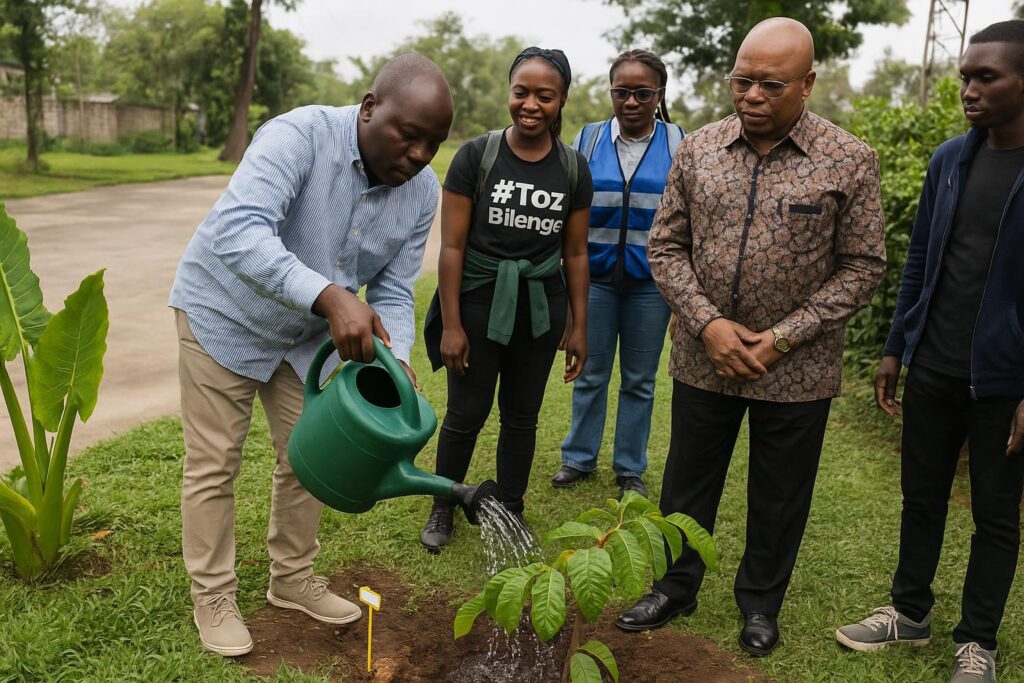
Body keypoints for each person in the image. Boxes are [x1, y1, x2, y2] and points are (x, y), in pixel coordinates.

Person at [614, 18, 886, 657]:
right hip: (703, 359)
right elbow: (666, 245)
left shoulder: (849, 160)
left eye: (771, 84)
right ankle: (674, 586)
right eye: (743, 81)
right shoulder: (699, 148)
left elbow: (864, 266)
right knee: (687, 483)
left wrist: (782, 338)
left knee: (780, 492)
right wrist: (708, 324)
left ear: (807, 84)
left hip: (795, 371)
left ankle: (761, 603)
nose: (753, 96)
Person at [168, 54, 453, 657]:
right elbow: (240, 230)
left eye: (434, 143)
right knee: (216, 462)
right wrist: (329, 296)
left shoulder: (422, 193)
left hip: (306, 338)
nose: (421, 155)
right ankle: (214, 595)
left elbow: (397, 289)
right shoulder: (298, 136)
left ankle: (292, 578)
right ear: (370, 108)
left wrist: (395, 356)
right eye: (410, 135)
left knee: (307, 454)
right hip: (224, 311)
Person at [836, 21, 1024, 683]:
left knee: (996, 514)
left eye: (986, 77)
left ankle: (978, 642)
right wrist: (896, 346)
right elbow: (919, 257)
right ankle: (909, 614)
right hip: (934, 364)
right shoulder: (951, 159)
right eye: (965, 76)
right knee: (922, 497)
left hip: (1005, 380)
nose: (968, 88)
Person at [419, 47, 593, 553]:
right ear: (509, 92)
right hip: (477, 304)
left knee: (522, 415)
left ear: (561, 100)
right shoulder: (477, 156)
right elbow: (451, 246)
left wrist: (579, 324)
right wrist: (451, 324)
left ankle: (510, 509)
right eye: (522, 92)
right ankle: (444, 504)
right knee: (465, 413)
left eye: (545, 95)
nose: (531, 105)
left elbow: (577, 254)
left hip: (540, 307)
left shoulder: (573, 168)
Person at [550, 49, 684, 501]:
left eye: (642, 93)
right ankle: (579, 458)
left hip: (652, 286)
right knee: (589, 371)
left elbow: (690, 220)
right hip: (595, 281)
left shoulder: (679, 142)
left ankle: (630, 468)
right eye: (621, 92)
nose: (630, 101)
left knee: (640, 381)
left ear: (659, 94)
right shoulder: (587, 140)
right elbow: (568, 212)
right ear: (611, 92)